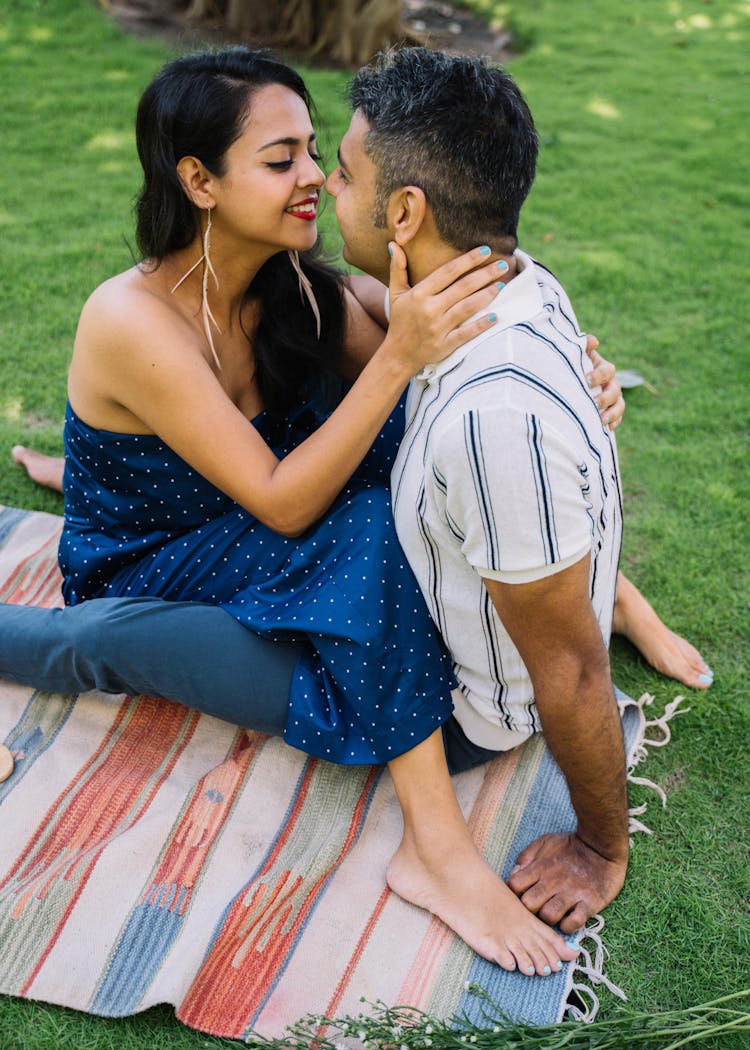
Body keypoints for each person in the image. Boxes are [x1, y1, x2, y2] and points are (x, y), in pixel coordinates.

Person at [0, 46, 592, 977]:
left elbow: (456, 392)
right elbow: (284, 506)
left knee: (398, 438)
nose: (317, 176)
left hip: (239, 509)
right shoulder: (129, 319)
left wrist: (569, 380)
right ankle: (435, 851)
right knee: (355, 522)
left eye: (314, 150)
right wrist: (397, 357)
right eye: (282, 160)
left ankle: (603, 592)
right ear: (199, 180)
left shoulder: (289, 284)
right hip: (152, 559)